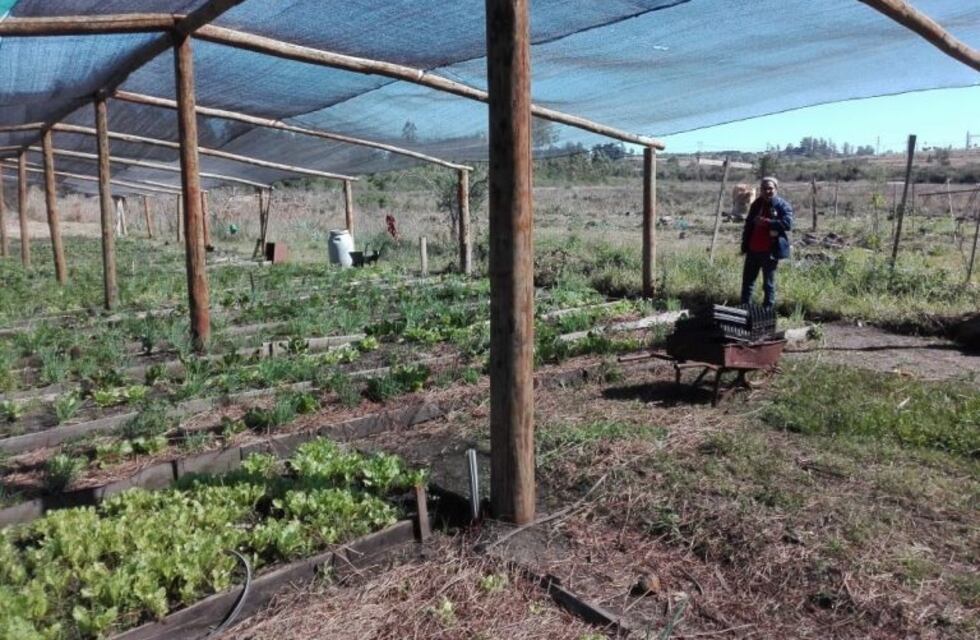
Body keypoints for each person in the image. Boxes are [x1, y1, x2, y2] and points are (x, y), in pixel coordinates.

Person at [740, 177, 793, 309]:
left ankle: (767, 311)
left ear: (776, 189)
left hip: (769, 251)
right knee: (747, 282)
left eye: (770, 188)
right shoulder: (756, 204)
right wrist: (744, 244)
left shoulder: (782, 205)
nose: (767, 191)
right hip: (753, 250)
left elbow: (788, 224)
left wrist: (767, 223)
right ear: (761, 190)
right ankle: (745, 309)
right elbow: (748, 225)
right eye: (764, 188)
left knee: (768, 284)